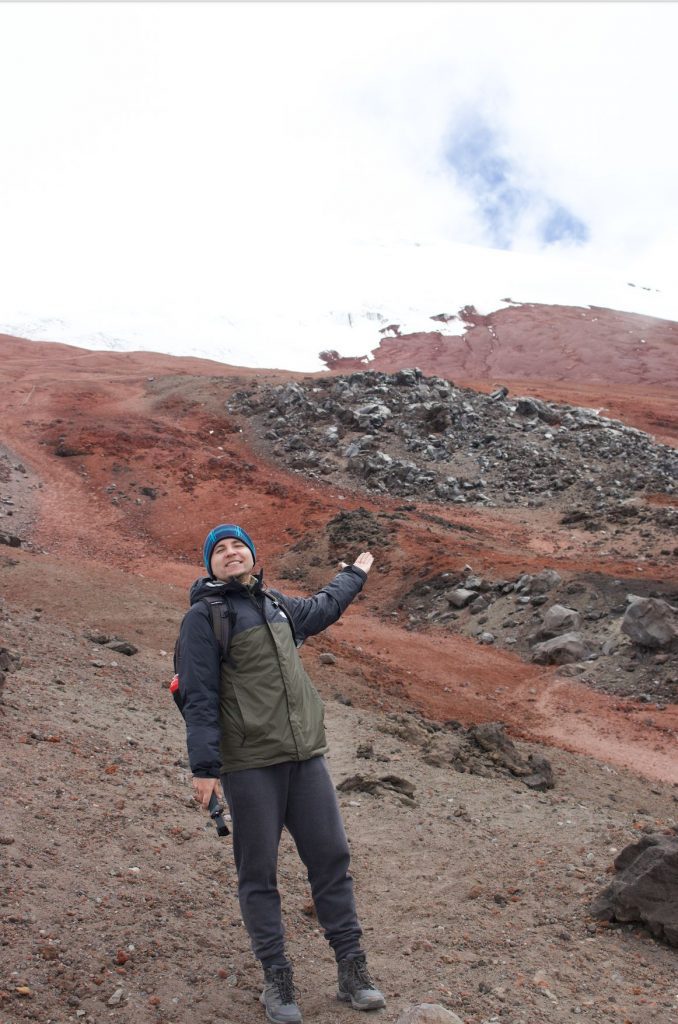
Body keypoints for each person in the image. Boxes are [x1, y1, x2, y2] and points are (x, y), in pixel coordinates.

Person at [176, 523, 386, 1023]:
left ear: (252, 554)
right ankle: (277, 978)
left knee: (331, 857)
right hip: (249, 765)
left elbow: (324, 605)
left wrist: (354, 573)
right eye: (219, 550)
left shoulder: (276, 606)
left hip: (304, 757)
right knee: (258, 873)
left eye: (237, 546)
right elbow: (198, 697)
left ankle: (351, 970)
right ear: (209, 565)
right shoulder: (202, 619)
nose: (231, 553)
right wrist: (205, 769)